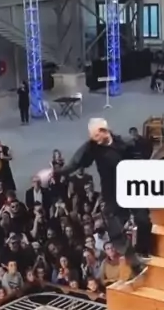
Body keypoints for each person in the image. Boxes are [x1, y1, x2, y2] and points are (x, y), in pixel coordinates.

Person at [55, 118, 145, 277]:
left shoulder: (124, 144)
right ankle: (134, 261)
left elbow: (141, 157)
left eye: (95, 135)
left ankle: (145, 250)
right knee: (114, 226)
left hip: (131, 188)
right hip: (111, 193)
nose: (93, 139)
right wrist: (59, 172)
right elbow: (77, 162)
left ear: (105, 131)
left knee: (143, 219)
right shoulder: (93, 147)